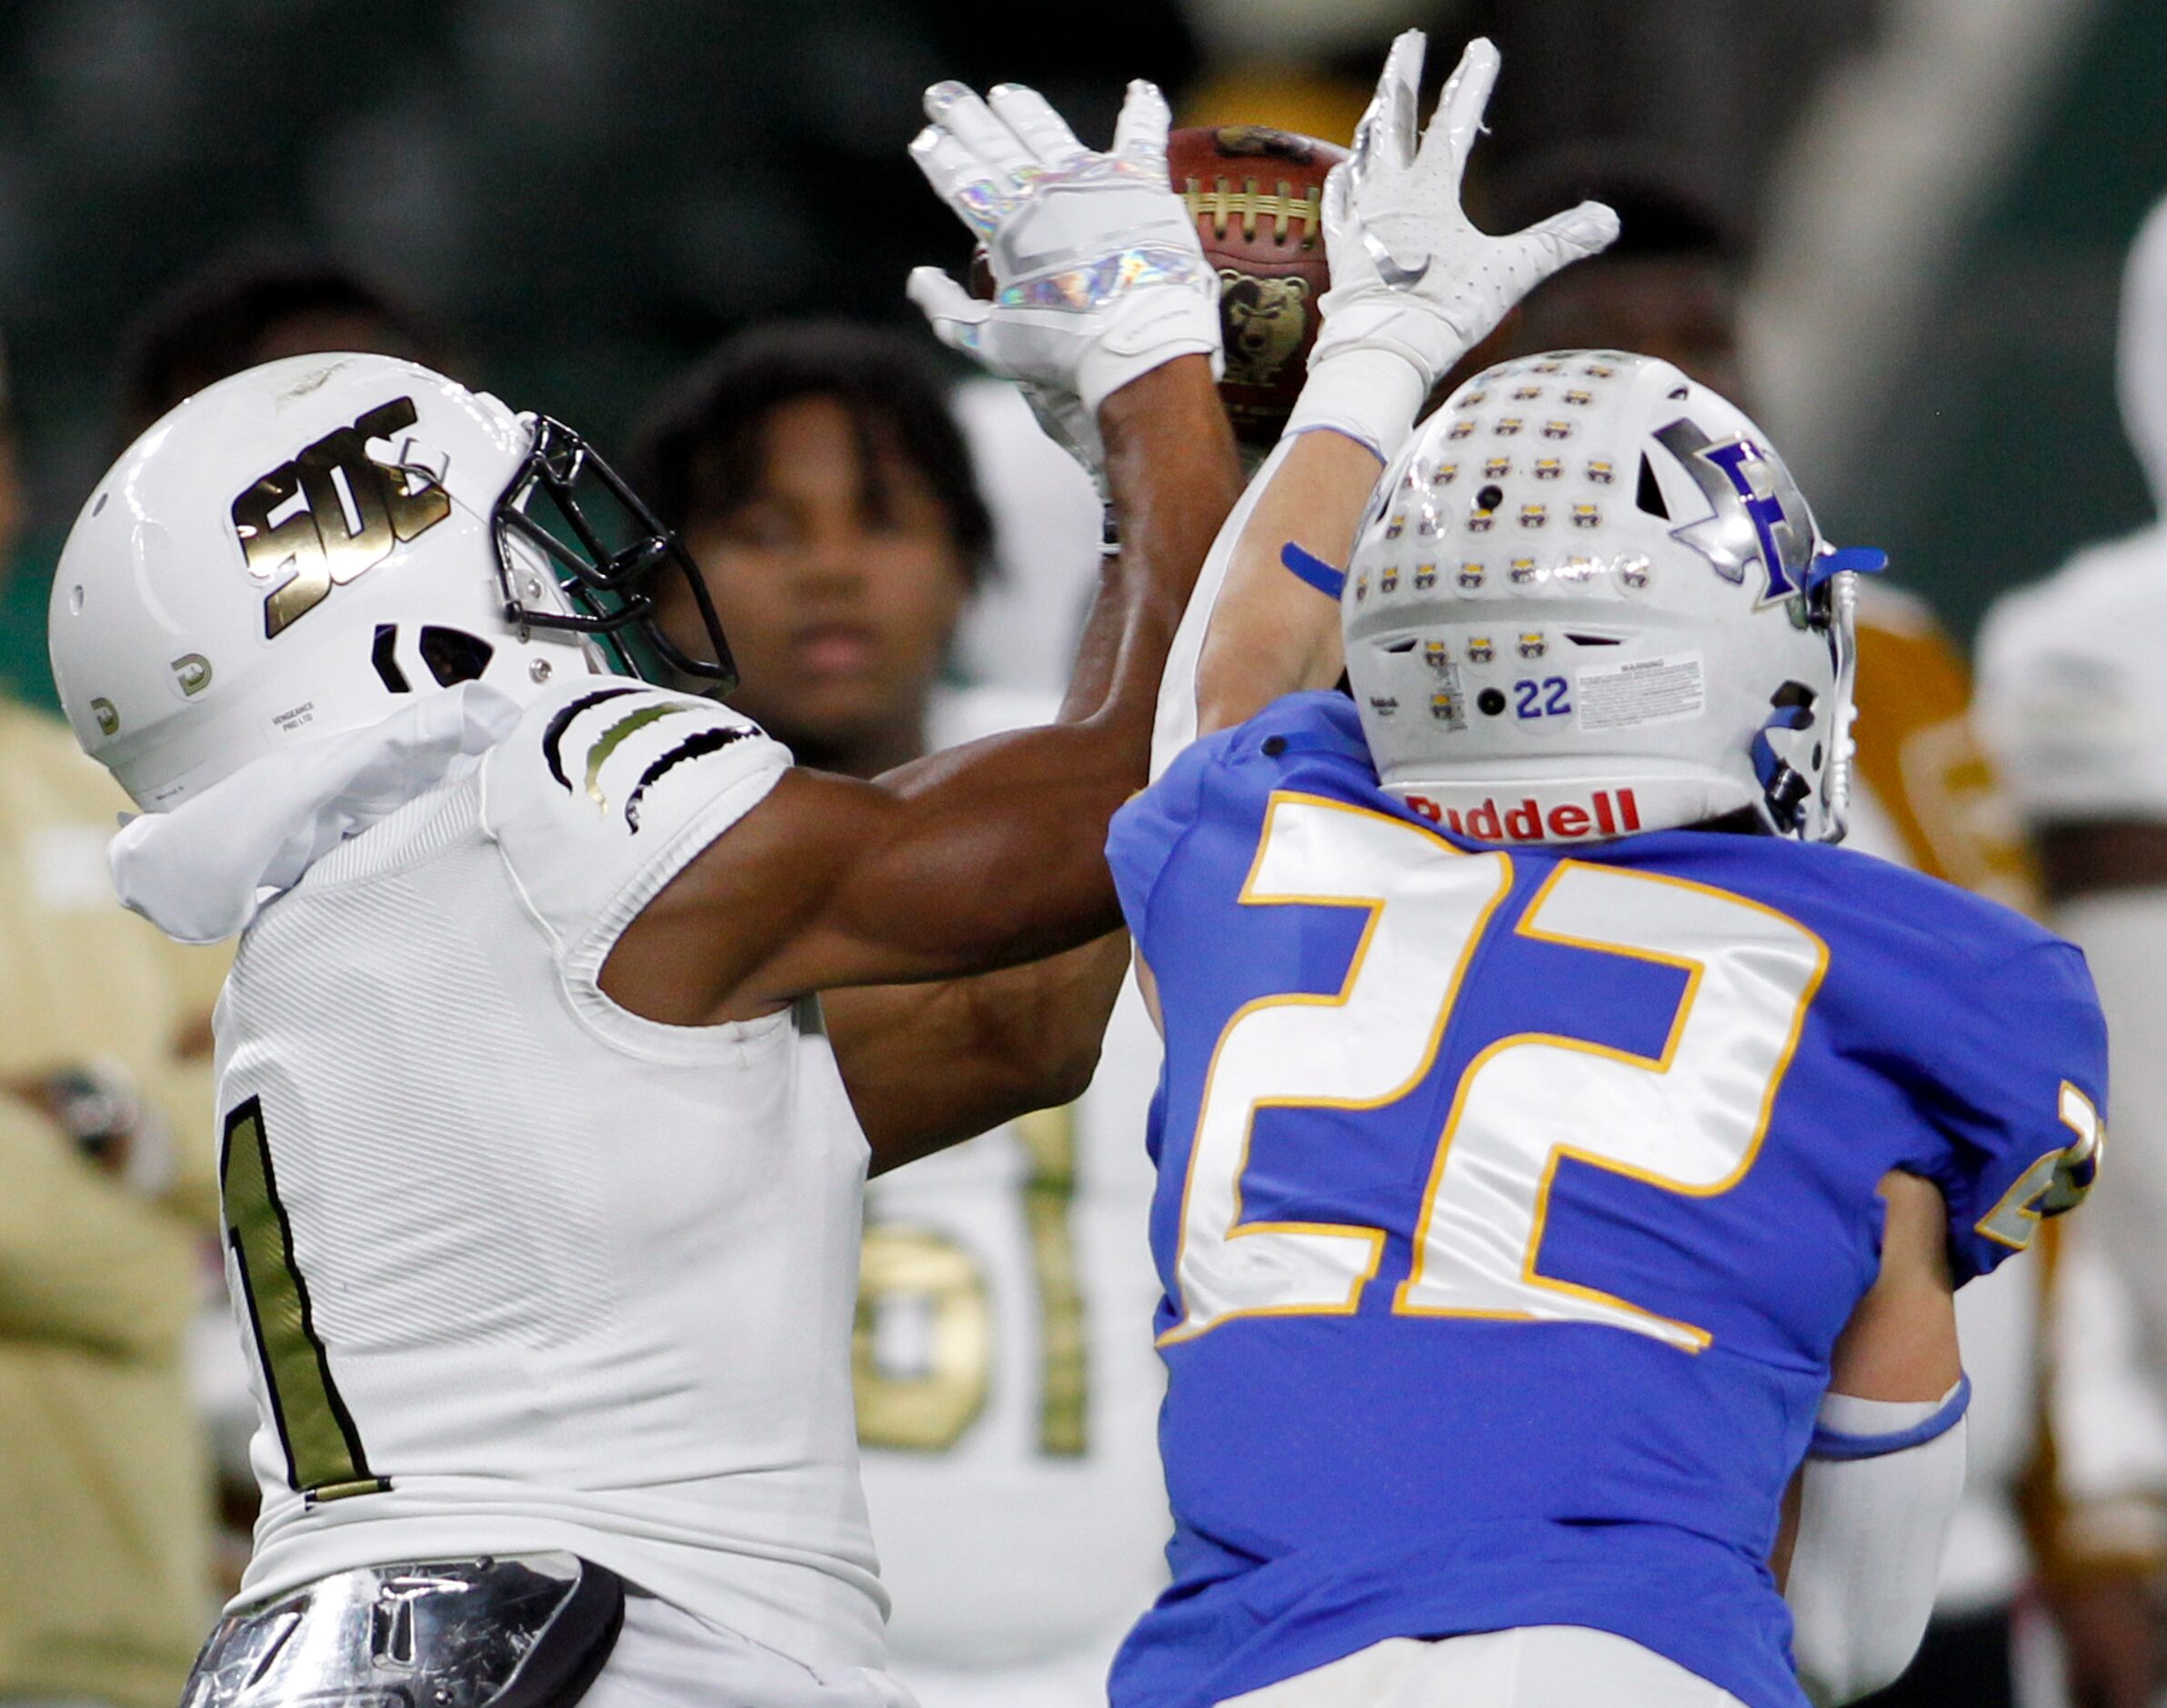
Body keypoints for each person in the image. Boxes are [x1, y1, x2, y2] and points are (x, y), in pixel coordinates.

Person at [46, 78, 1240, 1708]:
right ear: (407, 623)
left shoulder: (343, 938)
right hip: (622, 1647)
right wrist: (1156, 381)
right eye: (519, 540)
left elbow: (1021, 1024)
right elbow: (1123, 786)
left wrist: (1136, 509)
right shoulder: (553, 801)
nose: (589, 571)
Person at [1110, 33, 2106, 1708]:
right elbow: (1858, 1635)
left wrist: (1374, 352)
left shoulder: (1260, 844)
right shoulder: (1924, 986)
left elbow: (1231, 684)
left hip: (1256, 1671)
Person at [1489, 153, 2164, 1708]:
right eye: (1611, 345)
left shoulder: (1907, 669)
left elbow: (2020, 1125)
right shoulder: (1424, 720)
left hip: (1948, 1536)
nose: (1676, 386)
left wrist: (2084, 1518)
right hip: (1636, 1562)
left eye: (1708, 342)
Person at [625, 321, 1172, 1704]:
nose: (829, 567)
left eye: (884, 519)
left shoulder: (1119, 790)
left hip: (1118, 1632)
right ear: (656, 585)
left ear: (970, 563)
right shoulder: (587, 856)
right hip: (720, 1646)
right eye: (760, 526)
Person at [0, 335, 226, 1708]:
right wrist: (152, 1272)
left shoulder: (110, 811)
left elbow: (296, 1116)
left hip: (120, 1638)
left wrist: (116, 1126)